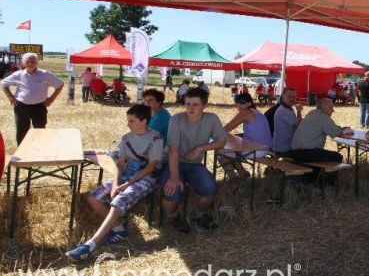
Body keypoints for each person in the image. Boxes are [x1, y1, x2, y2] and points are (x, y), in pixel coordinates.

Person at [66, 104, 163, 261]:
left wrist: (126, 184)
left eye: (131, 121)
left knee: (117, 201)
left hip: (145, 179)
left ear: (143, 121)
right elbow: (119, 163)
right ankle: (118, 228)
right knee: (93, 198)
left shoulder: (156, 138)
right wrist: (117, 183)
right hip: (125, 178)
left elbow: (151, 167)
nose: (128, 124)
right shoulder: (126, 138)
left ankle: (90, 245)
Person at [160, 87, 227, 232]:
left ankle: (199, 215)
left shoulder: (212, 119)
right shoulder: (176, 119)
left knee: (210, 190)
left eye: (195, 104)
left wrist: (200, 148)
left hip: (194, 164)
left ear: (204, 105)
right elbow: (173, 150)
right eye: (187, 104)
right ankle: (173, 217)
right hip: (173, 162)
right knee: (172, 192)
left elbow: (222, 141)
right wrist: (174, 177)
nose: (190, 108)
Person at [282, 97, 349, 185]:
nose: (332, 111)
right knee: (337, 157)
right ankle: (325, 184)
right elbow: (336, 133)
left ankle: (311, 180)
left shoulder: (312, 113)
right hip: (306, 152)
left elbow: (331, 128)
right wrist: (345, 130)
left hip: (295, 151)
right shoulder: (323, 117)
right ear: (324, 107)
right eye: (331, 108)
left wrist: (339, 129)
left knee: (319, 156)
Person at [1, 53, 64, 144]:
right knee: (21, 130)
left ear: (37, 62)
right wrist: (10, 96)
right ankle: (21, 154)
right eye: (28, 61)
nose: (30, 63)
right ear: (23, 63)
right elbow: (3, 83)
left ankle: (39, 152)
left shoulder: (45, 74)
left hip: (39, 107)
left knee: (40, 130)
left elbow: (60, 85)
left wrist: (51, 99)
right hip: (21, 107)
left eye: (33, 61)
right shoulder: (18, 74)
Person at [220, 93, 273, 181]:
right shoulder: (256, 112)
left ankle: (234, 179)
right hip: (265, 149)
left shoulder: (245, 113)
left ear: (249, 104)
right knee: (229, 152)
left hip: (257, 150)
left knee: (221, 153)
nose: (239, 105)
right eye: (237, 103)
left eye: (242, 103)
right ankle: (242, 172)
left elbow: (227, 128)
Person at [264, 87, 303, 154]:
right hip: (284, 148)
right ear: (283, 97)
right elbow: (299, 126)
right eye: (289, 97)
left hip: (281, 146)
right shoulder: (284, 111)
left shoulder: (285, 108)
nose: (292, 99)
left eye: (294, 97)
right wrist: (299, 111)